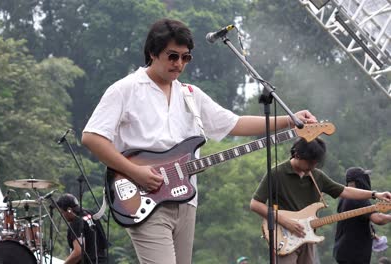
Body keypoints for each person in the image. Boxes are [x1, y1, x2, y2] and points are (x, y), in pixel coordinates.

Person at [82, 18, 318, 264]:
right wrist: (135, 172)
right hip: (142, 195)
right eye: (173, 56)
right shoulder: (125, 89)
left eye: (186, 57)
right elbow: (92, 137)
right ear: (152, 52)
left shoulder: (190, 94)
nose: (179, 64)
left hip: (186, 199)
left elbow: (234, 123)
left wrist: (289, 120)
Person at [250, 138, 391, 264]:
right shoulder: (276, 173)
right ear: (297, 155)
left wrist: (375, 194)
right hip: (284, 236)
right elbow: (255, 204)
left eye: (316, 163)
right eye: (310, 162)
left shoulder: (316, 176)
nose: (313, 166)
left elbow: (344, 190)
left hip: (307, 237)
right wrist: (285, 221)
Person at [333, 167, 391, 264]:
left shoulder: (343, 198)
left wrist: (372, 234)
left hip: (342, 251)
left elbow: (353, 223)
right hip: (354, 254)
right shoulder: (359, 198)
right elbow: (378, 219)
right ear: (360, 180)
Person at [56, 193, 107, 264]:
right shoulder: (91, 214)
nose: (62, 215)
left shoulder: (76, 222)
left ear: (69, 210)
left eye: (62, 212)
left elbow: (78, 252)